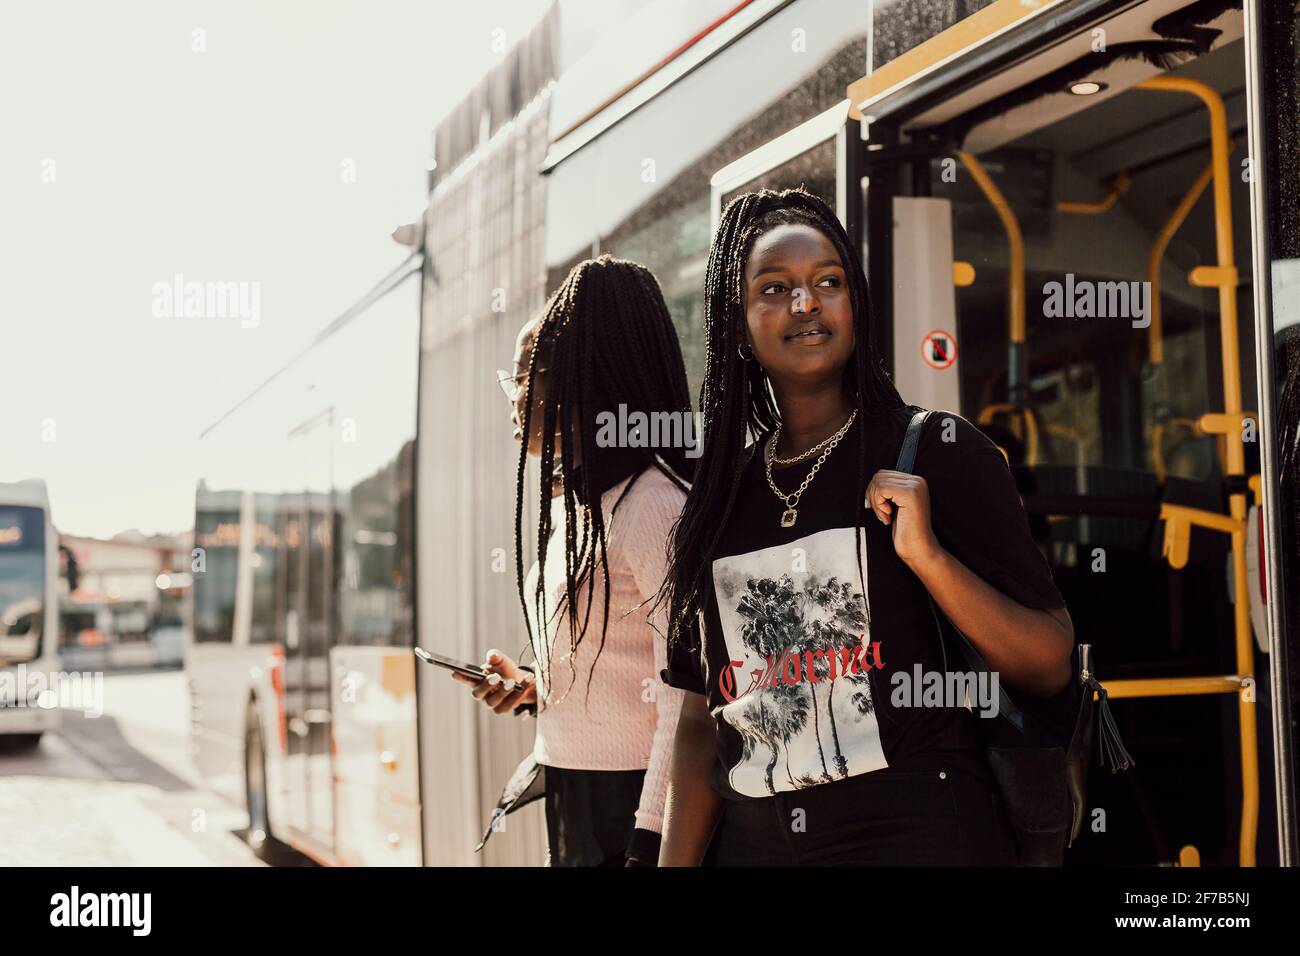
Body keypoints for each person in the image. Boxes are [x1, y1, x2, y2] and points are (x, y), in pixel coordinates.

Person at [656, 187, 1075, 866]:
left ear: (857, 307)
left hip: (921, 835)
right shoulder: (719, 501)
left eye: (829, 281)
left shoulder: (939, 452)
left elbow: (1049, 663)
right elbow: (701, 722)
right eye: (774, 288)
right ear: (736, 327)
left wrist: (930, 558)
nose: (806, 302)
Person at [452, 255, 693, 867]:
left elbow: (683, 696)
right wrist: (535, 688)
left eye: (522, 379)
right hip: (572, 789)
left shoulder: (651, 506)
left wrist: (651, 836)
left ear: (582, 382)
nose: (512, 401)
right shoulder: (575, 505)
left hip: (635, 804)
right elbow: (614, 658)